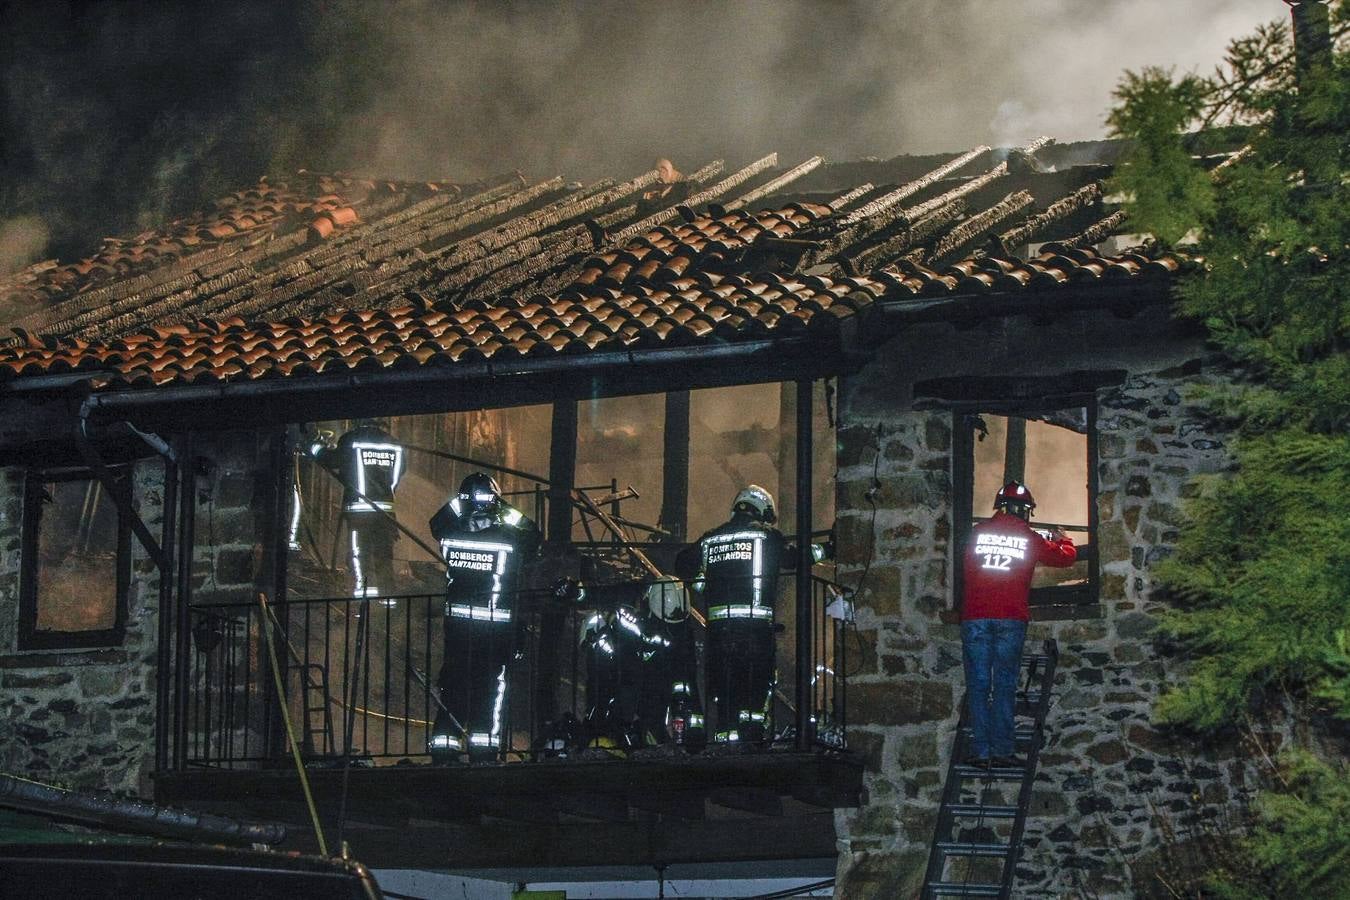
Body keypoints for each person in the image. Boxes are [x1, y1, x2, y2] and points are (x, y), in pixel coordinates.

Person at [961, 481, 1076, 768]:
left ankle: (981, 751)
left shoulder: (976, 533)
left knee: (977, 685)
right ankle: (1002, 749)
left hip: (975, 616)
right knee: (1004, 685)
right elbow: (1064, 559)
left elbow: (965, 566)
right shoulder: (1028, 537)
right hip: (1011, 618)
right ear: (1024, 511)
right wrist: (1065, 539)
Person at [427, 472, 540, 763]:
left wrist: (459, 502)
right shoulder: (507, 536)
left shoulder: (451, 534)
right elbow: (534, 534)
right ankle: (483, 751)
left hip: (457, 627)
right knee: (488, 690)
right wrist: (501, 506)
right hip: (494, 627)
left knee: (454, 686)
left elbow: (435, 523)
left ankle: (444, 749)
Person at [687, 485, 784, 744]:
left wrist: (704, 586)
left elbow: (683, 564)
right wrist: (827, 549)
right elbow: (794, 558)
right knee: (755, 686)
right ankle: (751, 739)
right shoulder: (767, 536)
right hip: (755, 631)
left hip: (719, 631)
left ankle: (723, 740)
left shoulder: (711, 538)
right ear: (762, 509)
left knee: (724, 690)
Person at [310, 420, 406, 604]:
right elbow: (401, 471)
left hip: (359, 511)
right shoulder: (395, 444)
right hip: (386, 511)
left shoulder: (351, 440)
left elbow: (332, 460)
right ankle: (387, 602)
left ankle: (364, 601)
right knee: (384, 556)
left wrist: (315, 447)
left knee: (359, 554)